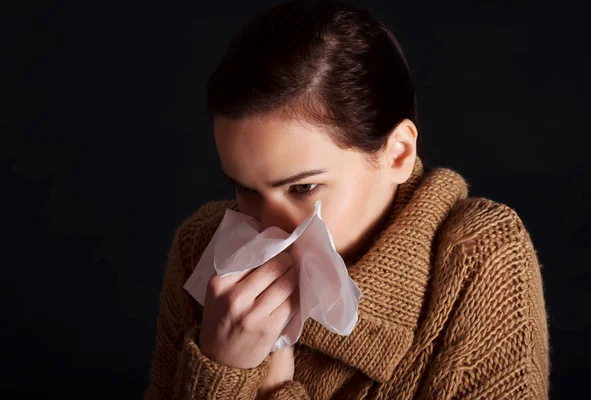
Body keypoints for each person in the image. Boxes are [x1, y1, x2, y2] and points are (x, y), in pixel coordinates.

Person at [144, 1, 550, 398]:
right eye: (246, 189)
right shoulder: (203, 249)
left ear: (398, 154)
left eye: (303, 188)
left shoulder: (478, 255)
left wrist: (254, 386)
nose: (270, 227)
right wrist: (221, 364)